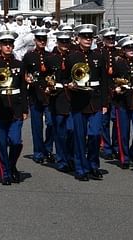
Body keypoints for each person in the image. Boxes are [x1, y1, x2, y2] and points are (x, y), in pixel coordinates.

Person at [0, 30, 29, 185]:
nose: (8, 47)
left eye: (10, 44)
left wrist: (25, 109)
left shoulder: (19, 65)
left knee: (16, 141)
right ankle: (5, 173)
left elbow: (23, 88)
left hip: (16, 108)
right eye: (5, 44)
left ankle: (11, 166)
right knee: (2, 143)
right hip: (0, 108)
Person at [65, 24, 107, 181]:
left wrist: (104, 103)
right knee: (79, 136)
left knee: (95, 134)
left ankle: (93, 165)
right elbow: (64, 77)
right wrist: (69, 84)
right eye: (84, 37)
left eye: (90, 37)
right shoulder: (72, 57)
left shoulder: (98, 56)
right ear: (78, 39)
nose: (88, 40)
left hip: (95, 101)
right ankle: (80, 168)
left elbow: (104, 81)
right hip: (78, 101)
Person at [110, 36, 133, 169]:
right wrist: (115, 89)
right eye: (128, 48)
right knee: (123, 132)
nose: (131, 50)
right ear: (123, 50)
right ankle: (124, 157)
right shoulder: (118, 63)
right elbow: (110, 80)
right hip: (122, 101)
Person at [22, 28, 55, 164]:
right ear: (35, 41)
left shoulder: (50, 55)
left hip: (48, 94)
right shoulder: (29, 56)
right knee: (36, 126)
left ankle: (47, 148)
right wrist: (27, 78)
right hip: (35, 94)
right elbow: (23, 73)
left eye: (44, 40)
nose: (42, 42)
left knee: (52, 123)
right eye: (39, 39)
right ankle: (38, 152)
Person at [49, 30, 76, 173]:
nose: (65, 44)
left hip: (72, 97)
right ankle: (62, 160)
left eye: (67, 42)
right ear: (57, 42)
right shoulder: (51, 58)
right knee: (60, 131)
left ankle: (71, 157)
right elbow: (43, 77)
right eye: (62, 42)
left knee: (71, 130)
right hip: (57, 98)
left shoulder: (74, 56)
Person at [97, 27, 119, 161]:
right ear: (103, 40)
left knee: (116, 120)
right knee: (104, 122)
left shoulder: (119, 53)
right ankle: (106, 147)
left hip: (116, 91)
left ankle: (116, 147)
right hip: (103, 91)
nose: (111, 41)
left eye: (113, 39)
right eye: (108, 39)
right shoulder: (98, 53)